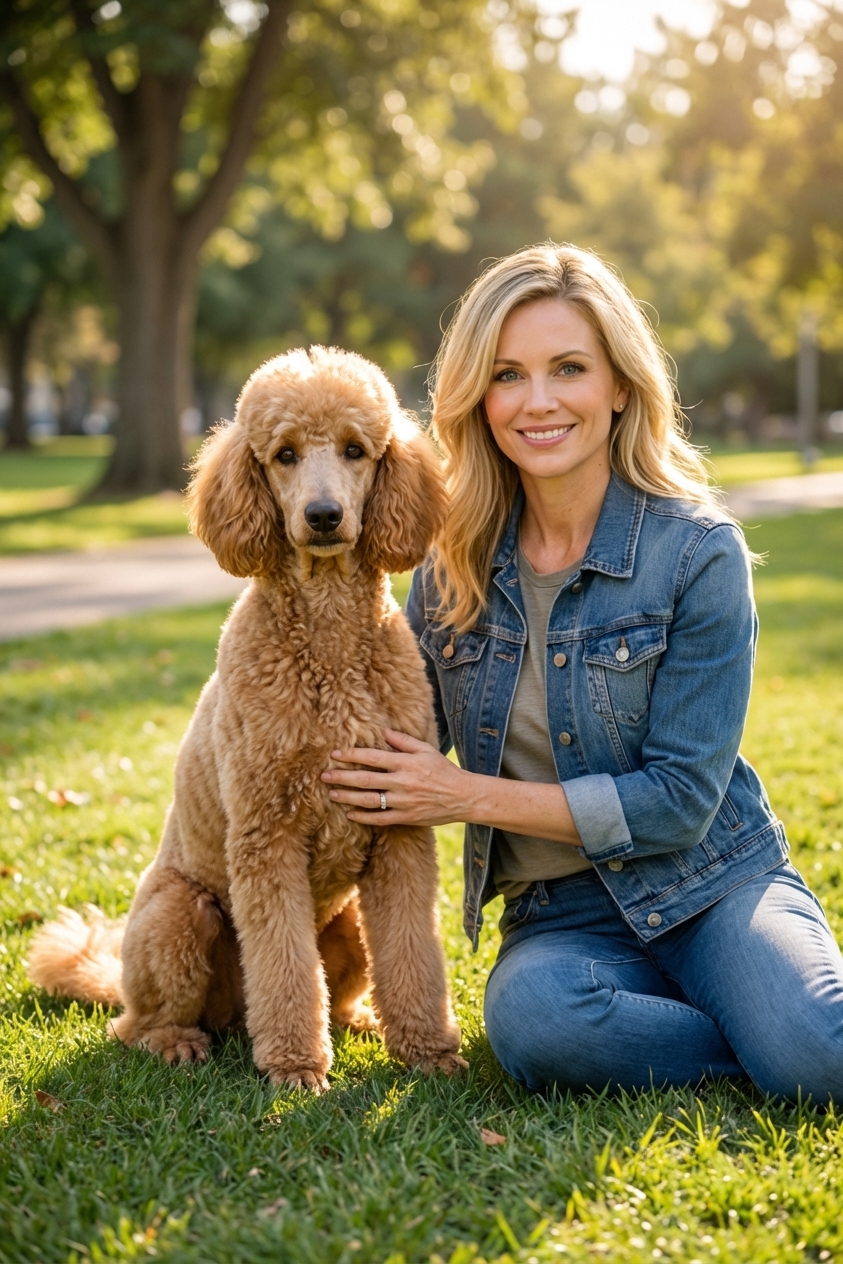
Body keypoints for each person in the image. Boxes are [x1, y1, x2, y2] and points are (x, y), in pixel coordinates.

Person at [321, 243, 843, 1099]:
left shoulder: (696, 554)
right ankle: (748, 1032)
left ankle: (773, 1020)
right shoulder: (447, 568)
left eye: (568, 368)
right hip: (559, 917)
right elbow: (381, 738)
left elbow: (678, 800)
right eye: (506, 374)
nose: (537, 402)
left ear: (620, 388)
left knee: (818, 1055)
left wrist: (463, 795)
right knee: (535, 1027)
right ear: (476, 398)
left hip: (713, 885)